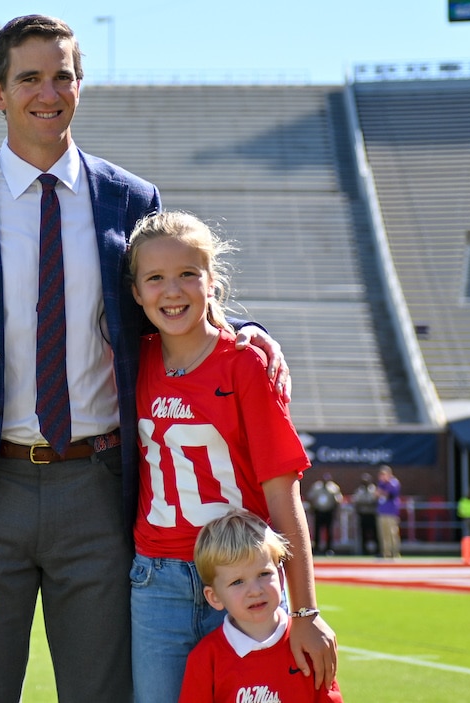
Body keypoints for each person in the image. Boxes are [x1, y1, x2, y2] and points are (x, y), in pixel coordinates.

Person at [0, 15, 292, 703]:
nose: (49, 92)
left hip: (97, 486)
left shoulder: (131, 200)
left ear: (81, 85)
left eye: (63, 76)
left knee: (100, 691)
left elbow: (171, 295)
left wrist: (247, 329)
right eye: (29, 78)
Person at [127, 210, 335, 703]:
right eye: (155, 278)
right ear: (135, 293)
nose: (171, 291)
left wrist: (306, 611)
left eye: (187, 275)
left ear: (212, 282)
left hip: (245, 577)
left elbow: (285, 496)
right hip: (157, 578)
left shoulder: (244, 362)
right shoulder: (132, 359)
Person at [179, 509, 343, 703]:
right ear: (214, 597)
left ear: (281, 577)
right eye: (238, 582)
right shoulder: (205, 658)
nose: (255, 590)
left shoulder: (308, 643)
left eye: (264, 574)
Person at [306, 473, 342, 556]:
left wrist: (335, 511)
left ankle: (329, 549)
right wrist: (312, 508)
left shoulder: (334, 488)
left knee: (329, 531)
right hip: (318, 511)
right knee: (317, 531)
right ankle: (317, 548)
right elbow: (310, 497)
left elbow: (338, 500)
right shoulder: (316, 487)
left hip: (329, 511)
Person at [376, 465, 402, 560]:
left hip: (391, 512)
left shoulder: (393, 483)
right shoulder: (381, 483)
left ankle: (394, 553)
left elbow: (389, 494)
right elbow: (376, 494)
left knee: (392, 533)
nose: (382, 477)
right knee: (383, 534)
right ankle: (385, 553)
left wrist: (381, 492)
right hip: (382, 511)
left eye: (384, 475)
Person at [350, 472, 378, 556]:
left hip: (372, 514)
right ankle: (363, 550)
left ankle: (376, 550)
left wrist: (367, 502)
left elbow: (374, 500)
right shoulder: (359, 490)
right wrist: (366, 502)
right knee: (363, 534)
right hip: (363, 514)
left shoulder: (373, 489)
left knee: (374, 533)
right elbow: (356, 500)